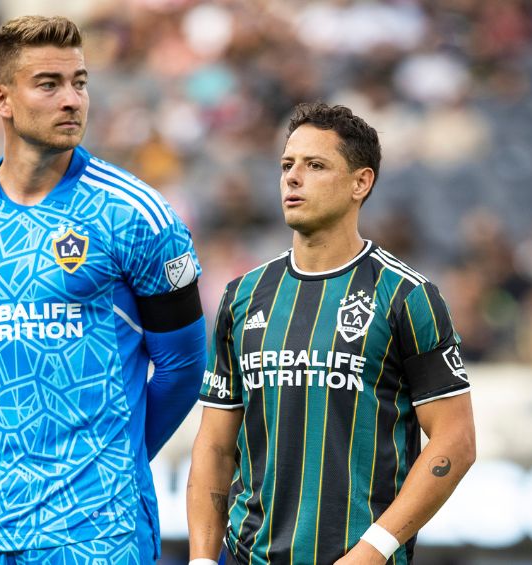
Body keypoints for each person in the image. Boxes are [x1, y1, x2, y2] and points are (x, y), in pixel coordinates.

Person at [0, 16, 206, 564]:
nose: (72, 100)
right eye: (48, 84)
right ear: (1, 99)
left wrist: (115, 461)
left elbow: (183, 366)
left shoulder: (136, 214)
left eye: (79, 82)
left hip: (97, 526)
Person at [186, 102, 476, 565]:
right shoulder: (243, 295)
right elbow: (216, 443)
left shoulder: (407, 296)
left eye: (315, 165)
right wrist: (201, 560)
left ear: (361, 182)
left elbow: (455, 443)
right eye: (287, 165)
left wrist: (373, 551)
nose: (292, 177)